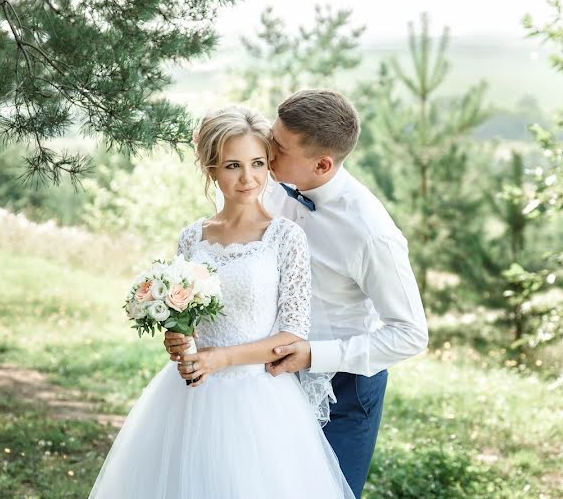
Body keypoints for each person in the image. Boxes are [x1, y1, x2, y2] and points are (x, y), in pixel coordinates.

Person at [166, 89, 429, 498]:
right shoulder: (267, 181)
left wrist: (313, 354)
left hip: (341, 384)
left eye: (278, 149)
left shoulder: (371, 234)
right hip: (259, 378)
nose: (266, 154)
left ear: (321, 164)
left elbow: (410, 334)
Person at [88, 105, 354, 499]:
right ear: (211, 169)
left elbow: (291, 333)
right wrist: (178, 338)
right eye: (232, 166)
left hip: (259, 397)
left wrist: (220, 359)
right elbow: (188, 319)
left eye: (258, 163)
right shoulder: (193, 237)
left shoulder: (285, 237)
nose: (248, 178)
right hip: (191, 395)